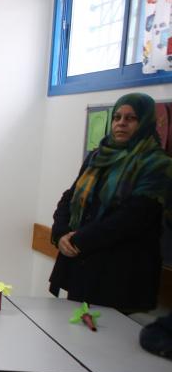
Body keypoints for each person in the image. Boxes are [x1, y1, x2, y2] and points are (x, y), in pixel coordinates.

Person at [48, 93, 172, 312]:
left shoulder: (157, 164)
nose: (121, 123)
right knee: (72, 328)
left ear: (145, 122)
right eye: (117, 117)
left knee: (106, 333)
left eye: (131, 118)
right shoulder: (98, 156)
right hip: (81, 267)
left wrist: (76, 240)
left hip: (121, 275)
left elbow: (132, 218)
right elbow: (70, 196)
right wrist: (60, 233)